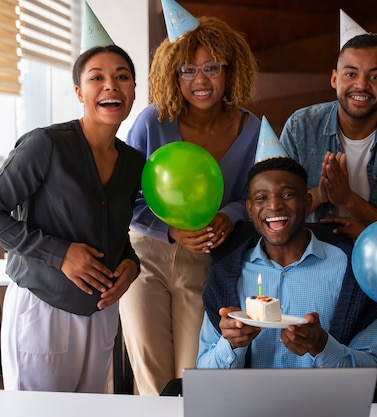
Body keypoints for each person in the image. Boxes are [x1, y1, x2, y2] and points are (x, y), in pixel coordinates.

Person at [0, 44, 144, 392]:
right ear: (80, 92)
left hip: (99, 312)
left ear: (134, 90)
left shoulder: (133, 163)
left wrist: (131, 264)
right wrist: (59, 253)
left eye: (122, 77)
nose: (111, 85)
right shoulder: (45, 145)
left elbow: (114, 231)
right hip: (42, 307)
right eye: (97, 78)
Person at [278, 12, 377, 402]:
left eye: (375, 76)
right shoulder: (301, 126)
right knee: (303, 378)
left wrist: (348, 201)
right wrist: (322, 195)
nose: (362, 85)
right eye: (351, 74)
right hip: (312, 268)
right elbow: (279, 210)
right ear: (334, 78)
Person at [118, 0, 260, 395]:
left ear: (230, 70)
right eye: (188, 69)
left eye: (211, 67)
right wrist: (171, 230)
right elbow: (124, 197)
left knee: (194, 372)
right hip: (145, 255)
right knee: (150, 372)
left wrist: (230, 214)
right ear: (173, 74)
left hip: (207, 259)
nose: (201, 79)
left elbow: (255, 194)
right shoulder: (151, 121)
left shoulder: (253, 129)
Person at [197, 157, 377, 369]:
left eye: (287, 195)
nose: (274, 205)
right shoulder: (224, 277)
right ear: (250, 209)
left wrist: (322, 346)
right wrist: (230, 345)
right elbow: (204, 368)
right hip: (251, 401)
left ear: (306, 203)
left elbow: (372, 368)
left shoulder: (351, 271)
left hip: (322, 401)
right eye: (261, 198)